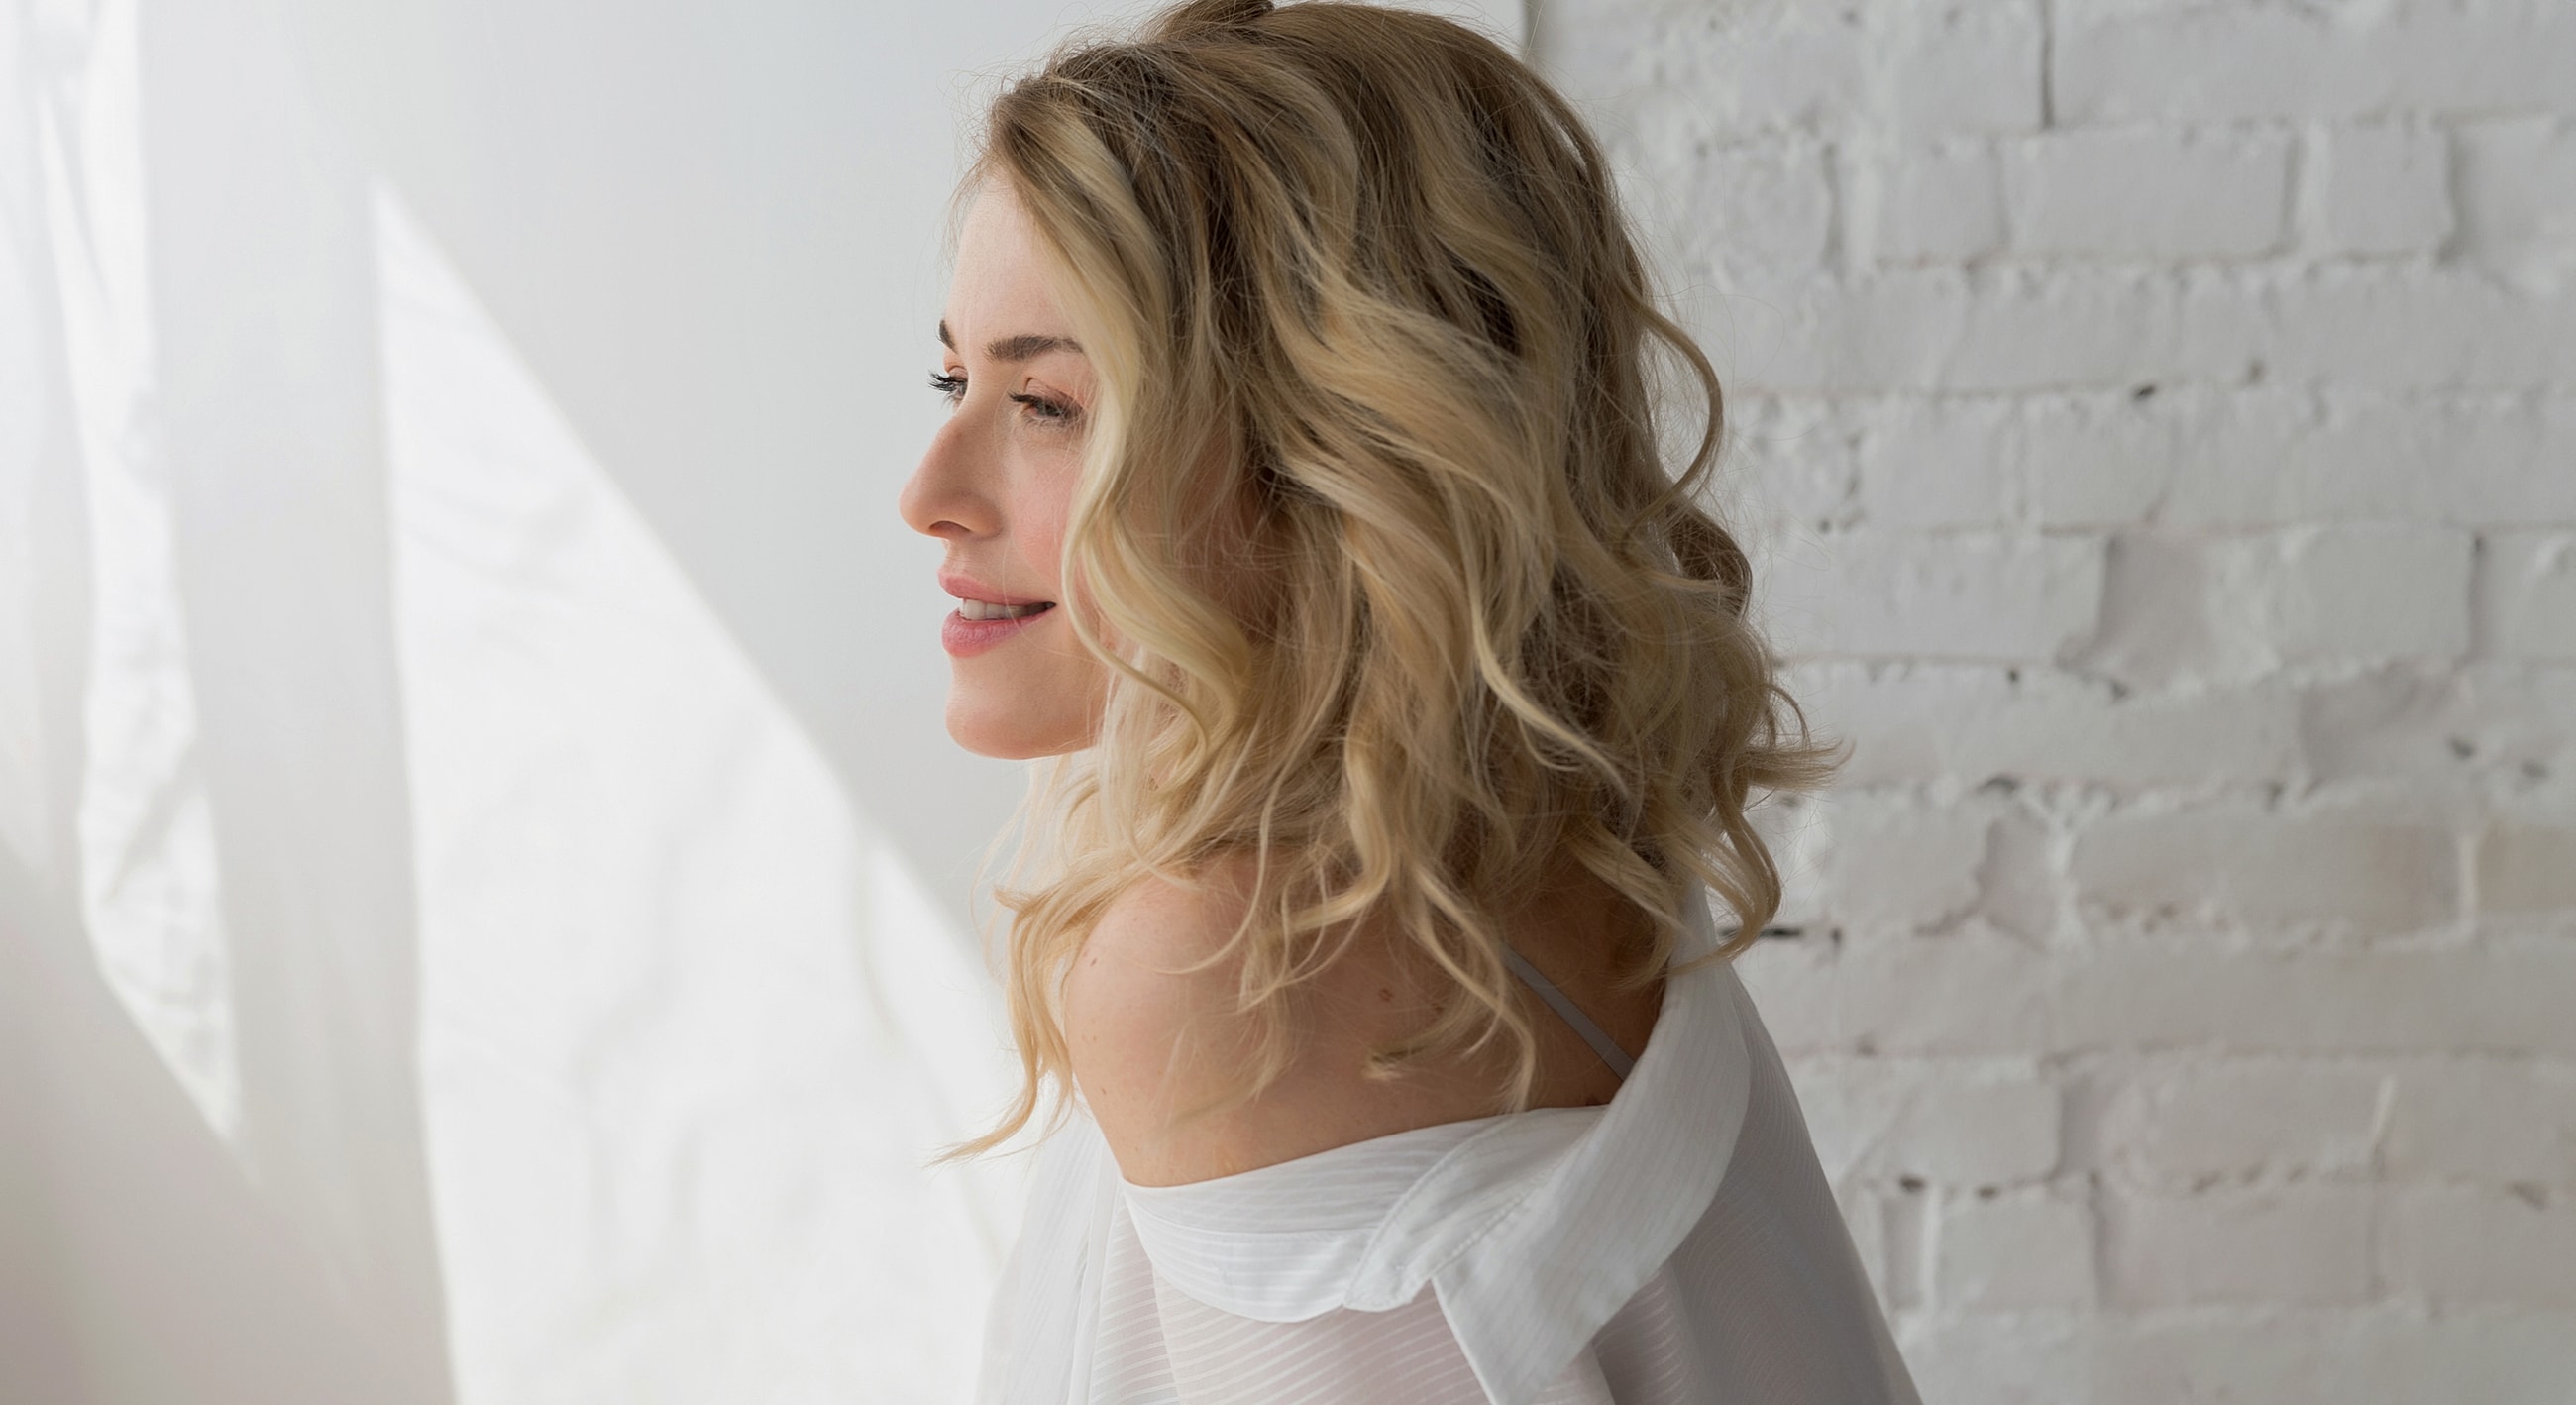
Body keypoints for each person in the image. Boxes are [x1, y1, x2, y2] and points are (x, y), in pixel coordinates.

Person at [898, 1, 1923, 1400]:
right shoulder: (1543, 837)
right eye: (956, 377)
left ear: (1326, 449)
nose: (928, 493)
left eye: (1049, 405)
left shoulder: (1230, 959)